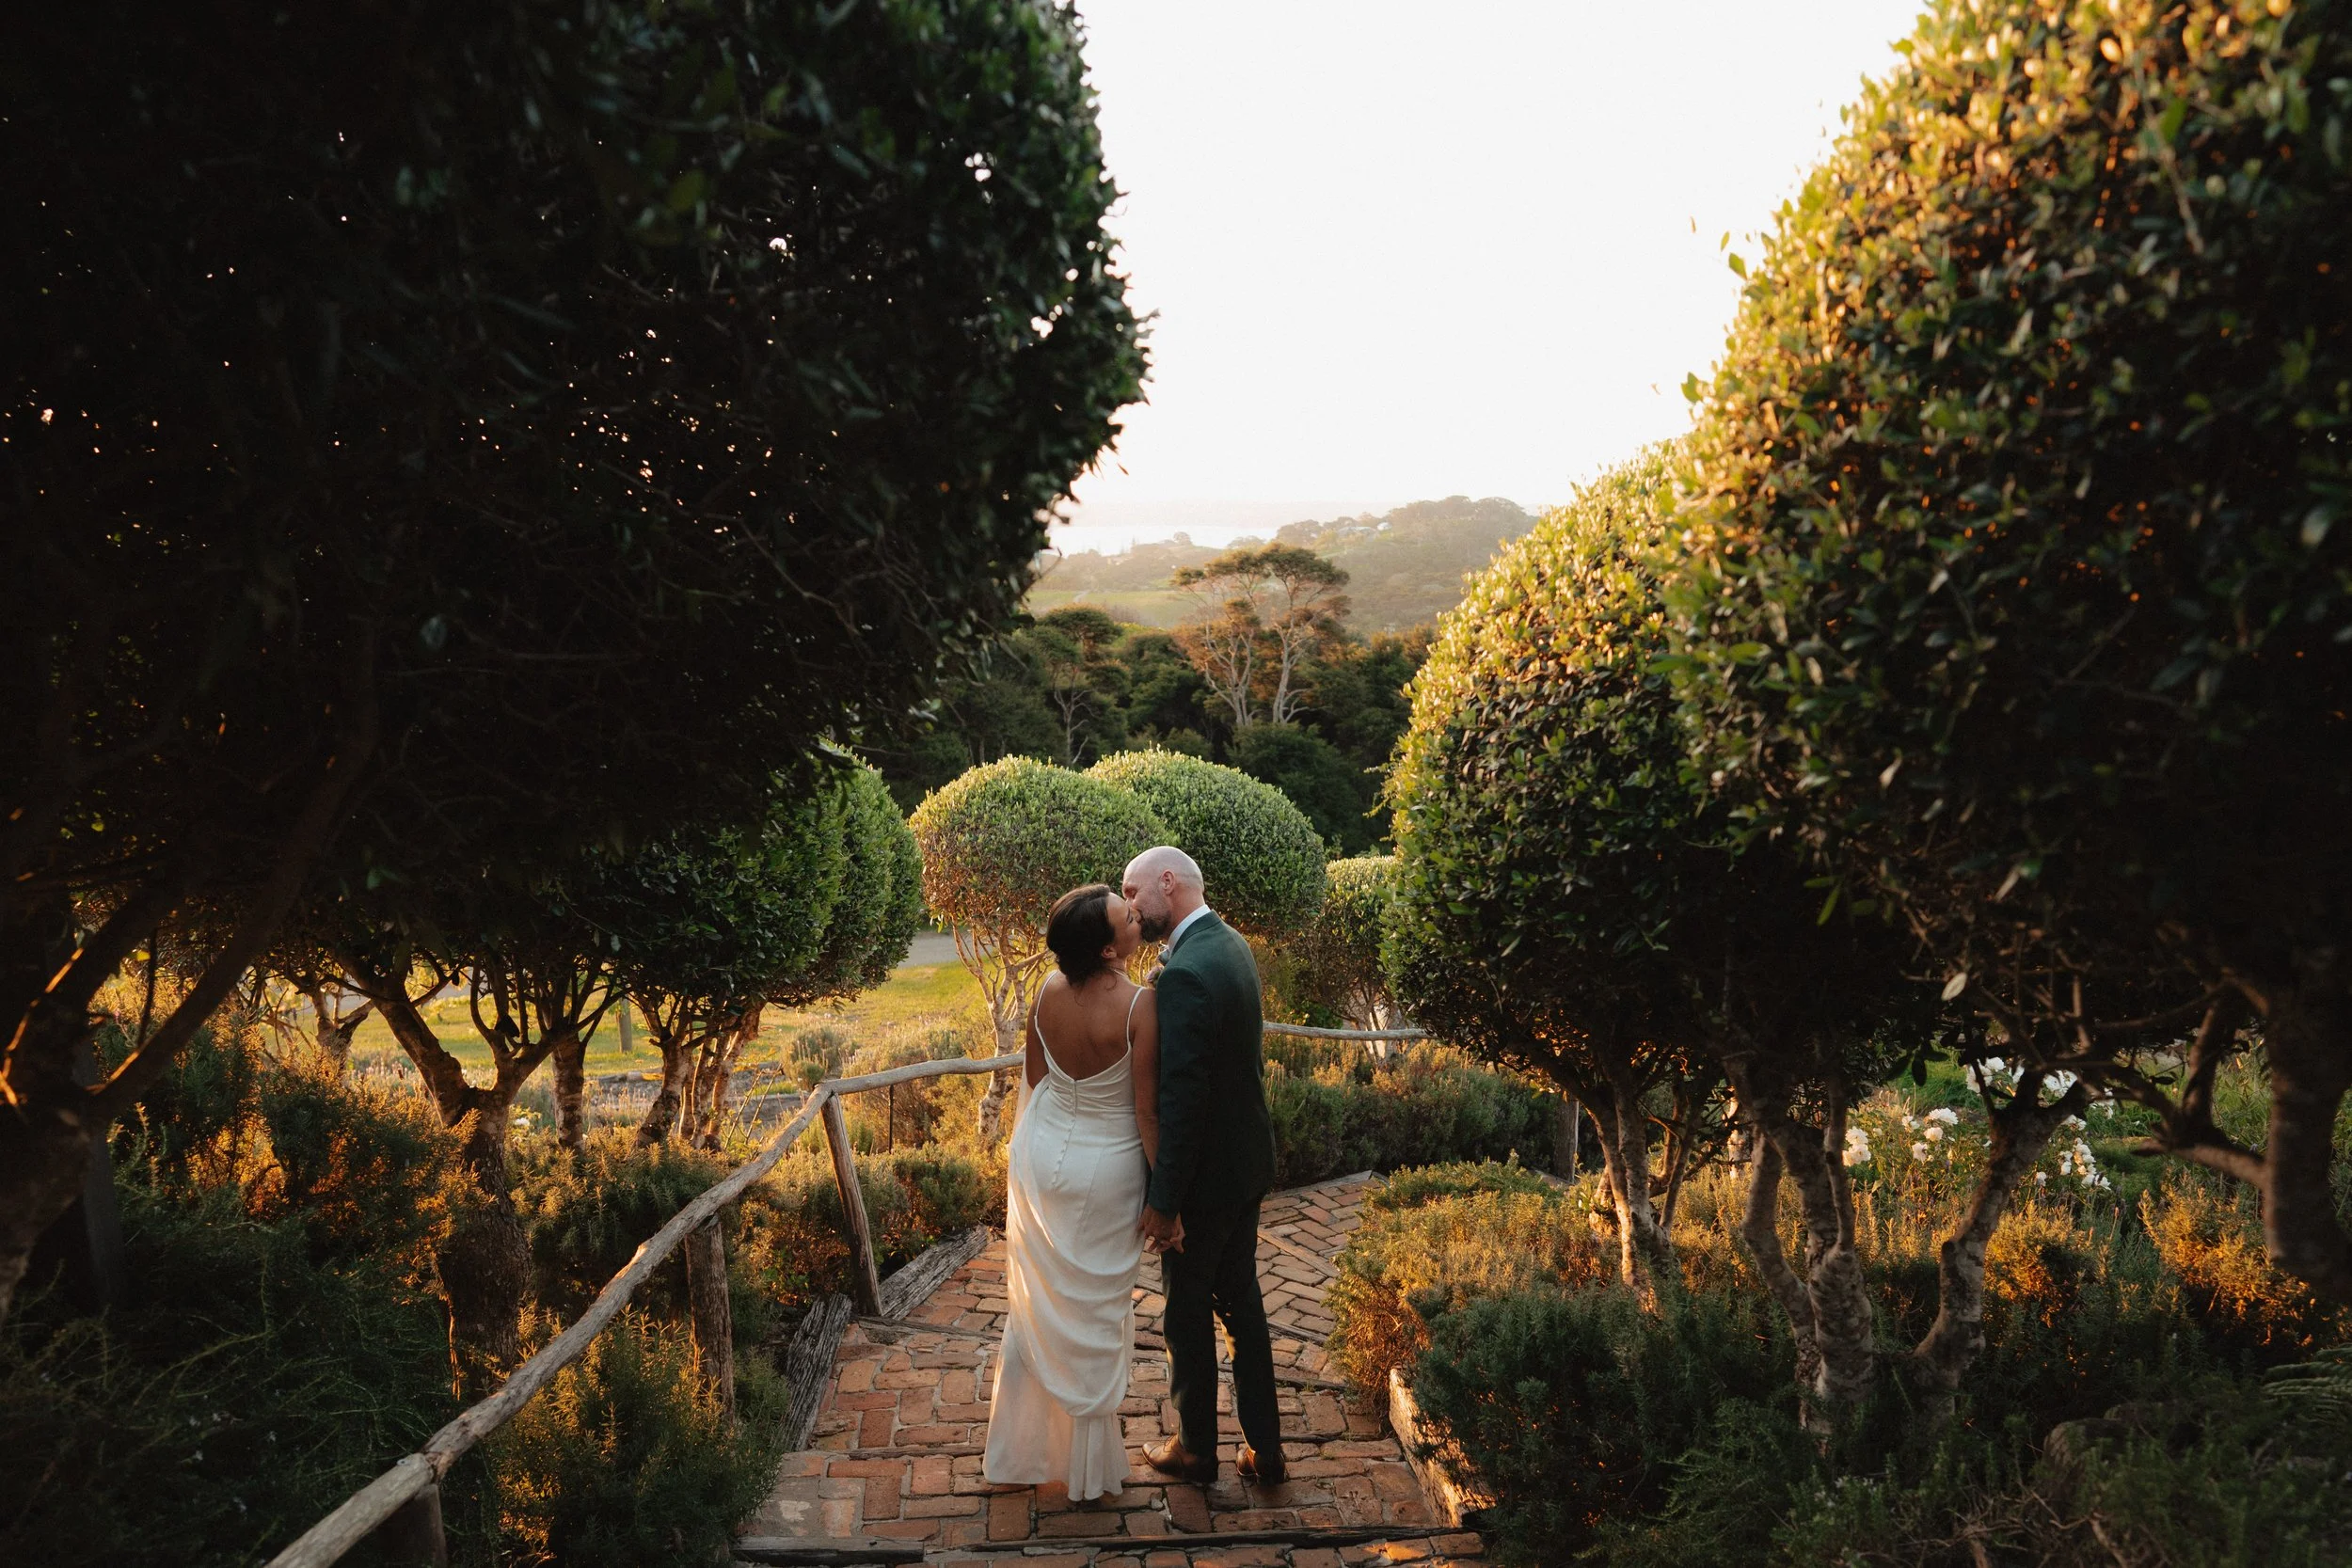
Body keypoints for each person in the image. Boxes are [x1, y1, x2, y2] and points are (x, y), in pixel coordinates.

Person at [981, 882, 1166, 1501]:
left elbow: (1037, 1078)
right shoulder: (1141, 1006)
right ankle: (1085, 1468)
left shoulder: (1046, 991)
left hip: (1043, 1157)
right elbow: (1146, 1112)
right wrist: (1166, 1201)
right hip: (1107, 1170)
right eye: (1125, 916)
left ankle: (1018, 1452)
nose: (1135, 915)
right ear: (1109, 950)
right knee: (1092, 1313)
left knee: (1038, 1305)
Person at [1121, 845, 1283, 1486]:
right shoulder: (1230, 943)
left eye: (1133, 891)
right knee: (1242, 1303)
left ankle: (1194, 1449)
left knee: (1186, 1313)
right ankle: (1265, 1450)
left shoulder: (1185, 972)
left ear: (1168, 882)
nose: (1130, 906)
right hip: (1246, 1164)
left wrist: (1165, 1202)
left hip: (1207, 1182)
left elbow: (1181, 1100)